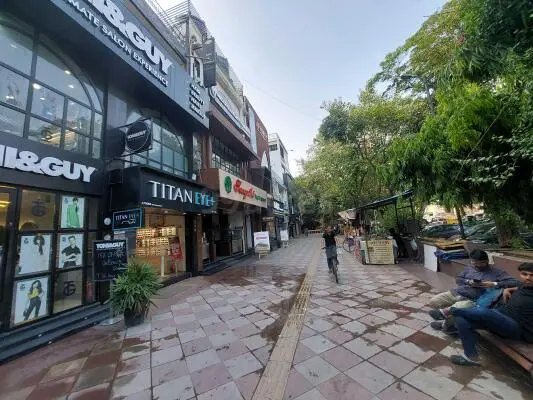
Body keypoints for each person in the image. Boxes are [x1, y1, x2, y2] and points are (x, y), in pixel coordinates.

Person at [448, 263, 533, 366]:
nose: (528, 278)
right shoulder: (524, 285)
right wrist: (508, 289)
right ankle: (471, 357)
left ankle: (451, 311)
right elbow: (518, 286)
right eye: (524, 274)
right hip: (501, 317)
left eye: (532, 275)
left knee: (484, 312)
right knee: (461, 319)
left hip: (518, 328)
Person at [428, 249, 520, 320]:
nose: (477, 265)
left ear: (487, 261)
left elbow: (516, 282)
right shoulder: (469, 268)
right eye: (474, 262)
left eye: (481, 263)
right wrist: (468, 282)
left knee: (457, 309)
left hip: (472, 299)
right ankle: (450, 311)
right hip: (457, 293)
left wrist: (493, 284)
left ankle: (449, 315)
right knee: (434, 301)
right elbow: (458, 279)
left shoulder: (497, 272)